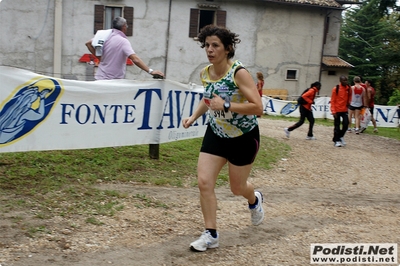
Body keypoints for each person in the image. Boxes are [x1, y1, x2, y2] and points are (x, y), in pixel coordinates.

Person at [182, 25, 264, 252]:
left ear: (227, 49)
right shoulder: (205, 73)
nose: (209, 49)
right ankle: (211, 234)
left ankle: (254, 199)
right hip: (216, 133)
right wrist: (193, 116)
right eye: (207, 45)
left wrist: (227, 104)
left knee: (237, 188)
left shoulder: (239, 72)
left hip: (243, 137)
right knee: (204, 182)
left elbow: (258, 107)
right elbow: (208, 99)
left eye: (215, 45)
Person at [85, 17, 164, 80]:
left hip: (100, 78)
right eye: (126, 26)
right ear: (124, 27)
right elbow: (135, 59)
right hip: (113, 81)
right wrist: (151, 71)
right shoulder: (123, 41)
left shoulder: (105, 36)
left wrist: (100, 58)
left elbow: (88, 43)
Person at [330, 75, 351, 147]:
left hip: (344, 109)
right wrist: (333, 111)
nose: (345, 82)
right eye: (344, 80)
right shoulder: (336, 89)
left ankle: (340, 136)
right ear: (340, 81)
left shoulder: (348, 88)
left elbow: (350, 97)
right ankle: (336, 140)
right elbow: (332, 100)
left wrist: (349, 103)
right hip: (337, 109)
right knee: (337, 126)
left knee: (346, 124)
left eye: (346, 80)